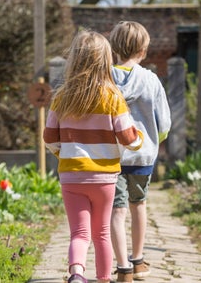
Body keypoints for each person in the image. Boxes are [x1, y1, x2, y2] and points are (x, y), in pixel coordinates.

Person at [43, 30, 144, 283]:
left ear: (74, 60)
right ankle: (103, 279)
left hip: (71, 176)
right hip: (104, 177)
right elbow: (128, 138)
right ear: (105, 61)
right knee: (101, 234)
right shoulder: (113, 98)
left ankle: (76, 273)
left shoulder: (61, 98)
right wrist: (140, 139)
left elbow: (49, 137)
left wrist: (63, 153)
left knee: (79, 233)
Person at [109, 21, 172, 283]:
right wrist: (157, 140)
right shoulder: (151, 80)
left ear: (113, 48)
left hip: (111, 155)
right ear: (144, 50)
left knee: (117, 210)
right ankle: (138, 261)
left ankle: (122, 268)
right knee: (139, 205)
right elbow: (165, 122)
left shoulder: (105, 79)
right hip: (143, 154)